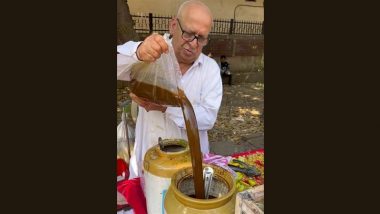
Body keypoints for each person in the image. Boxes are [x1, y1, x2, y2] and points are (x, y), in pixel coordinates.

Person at [117, 0, 223, 179]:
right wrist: (138, 52)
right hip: (148, 162)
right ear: (173, 25)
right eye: (189, 33)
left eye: (201, 38)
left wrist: (166, 107)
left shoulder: (210, 69)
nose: (194, 43)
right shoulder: (150, 52)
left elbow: (208, 118)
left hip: (189, 167)